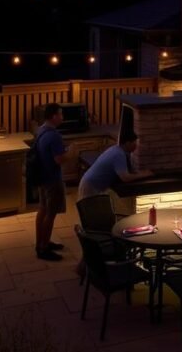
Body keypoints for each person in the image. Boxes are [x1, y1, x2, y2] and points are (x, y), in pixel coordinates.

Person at [34, 103, 71, 261]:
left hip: (42, 177)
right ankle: (44, 249)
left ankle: (41, 242)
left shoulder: (41, 130)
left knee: (42, 210)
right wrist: (71, 153)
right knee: (51, 213)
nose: (62, 117)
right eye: (61, 114)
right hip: (52, 180)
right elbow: (59, 159)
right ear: (54, 116)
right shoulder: (54, 135)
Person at [78, 131, 154, 198]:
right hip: (90, 186)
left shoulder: (117, 149)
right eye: (135, 143)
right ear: (128, 143)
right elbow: (125, 178)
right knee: (91, 212)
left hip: (90, 184)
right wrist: (144, 174)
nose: (136, 146)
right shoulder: (119, 154)